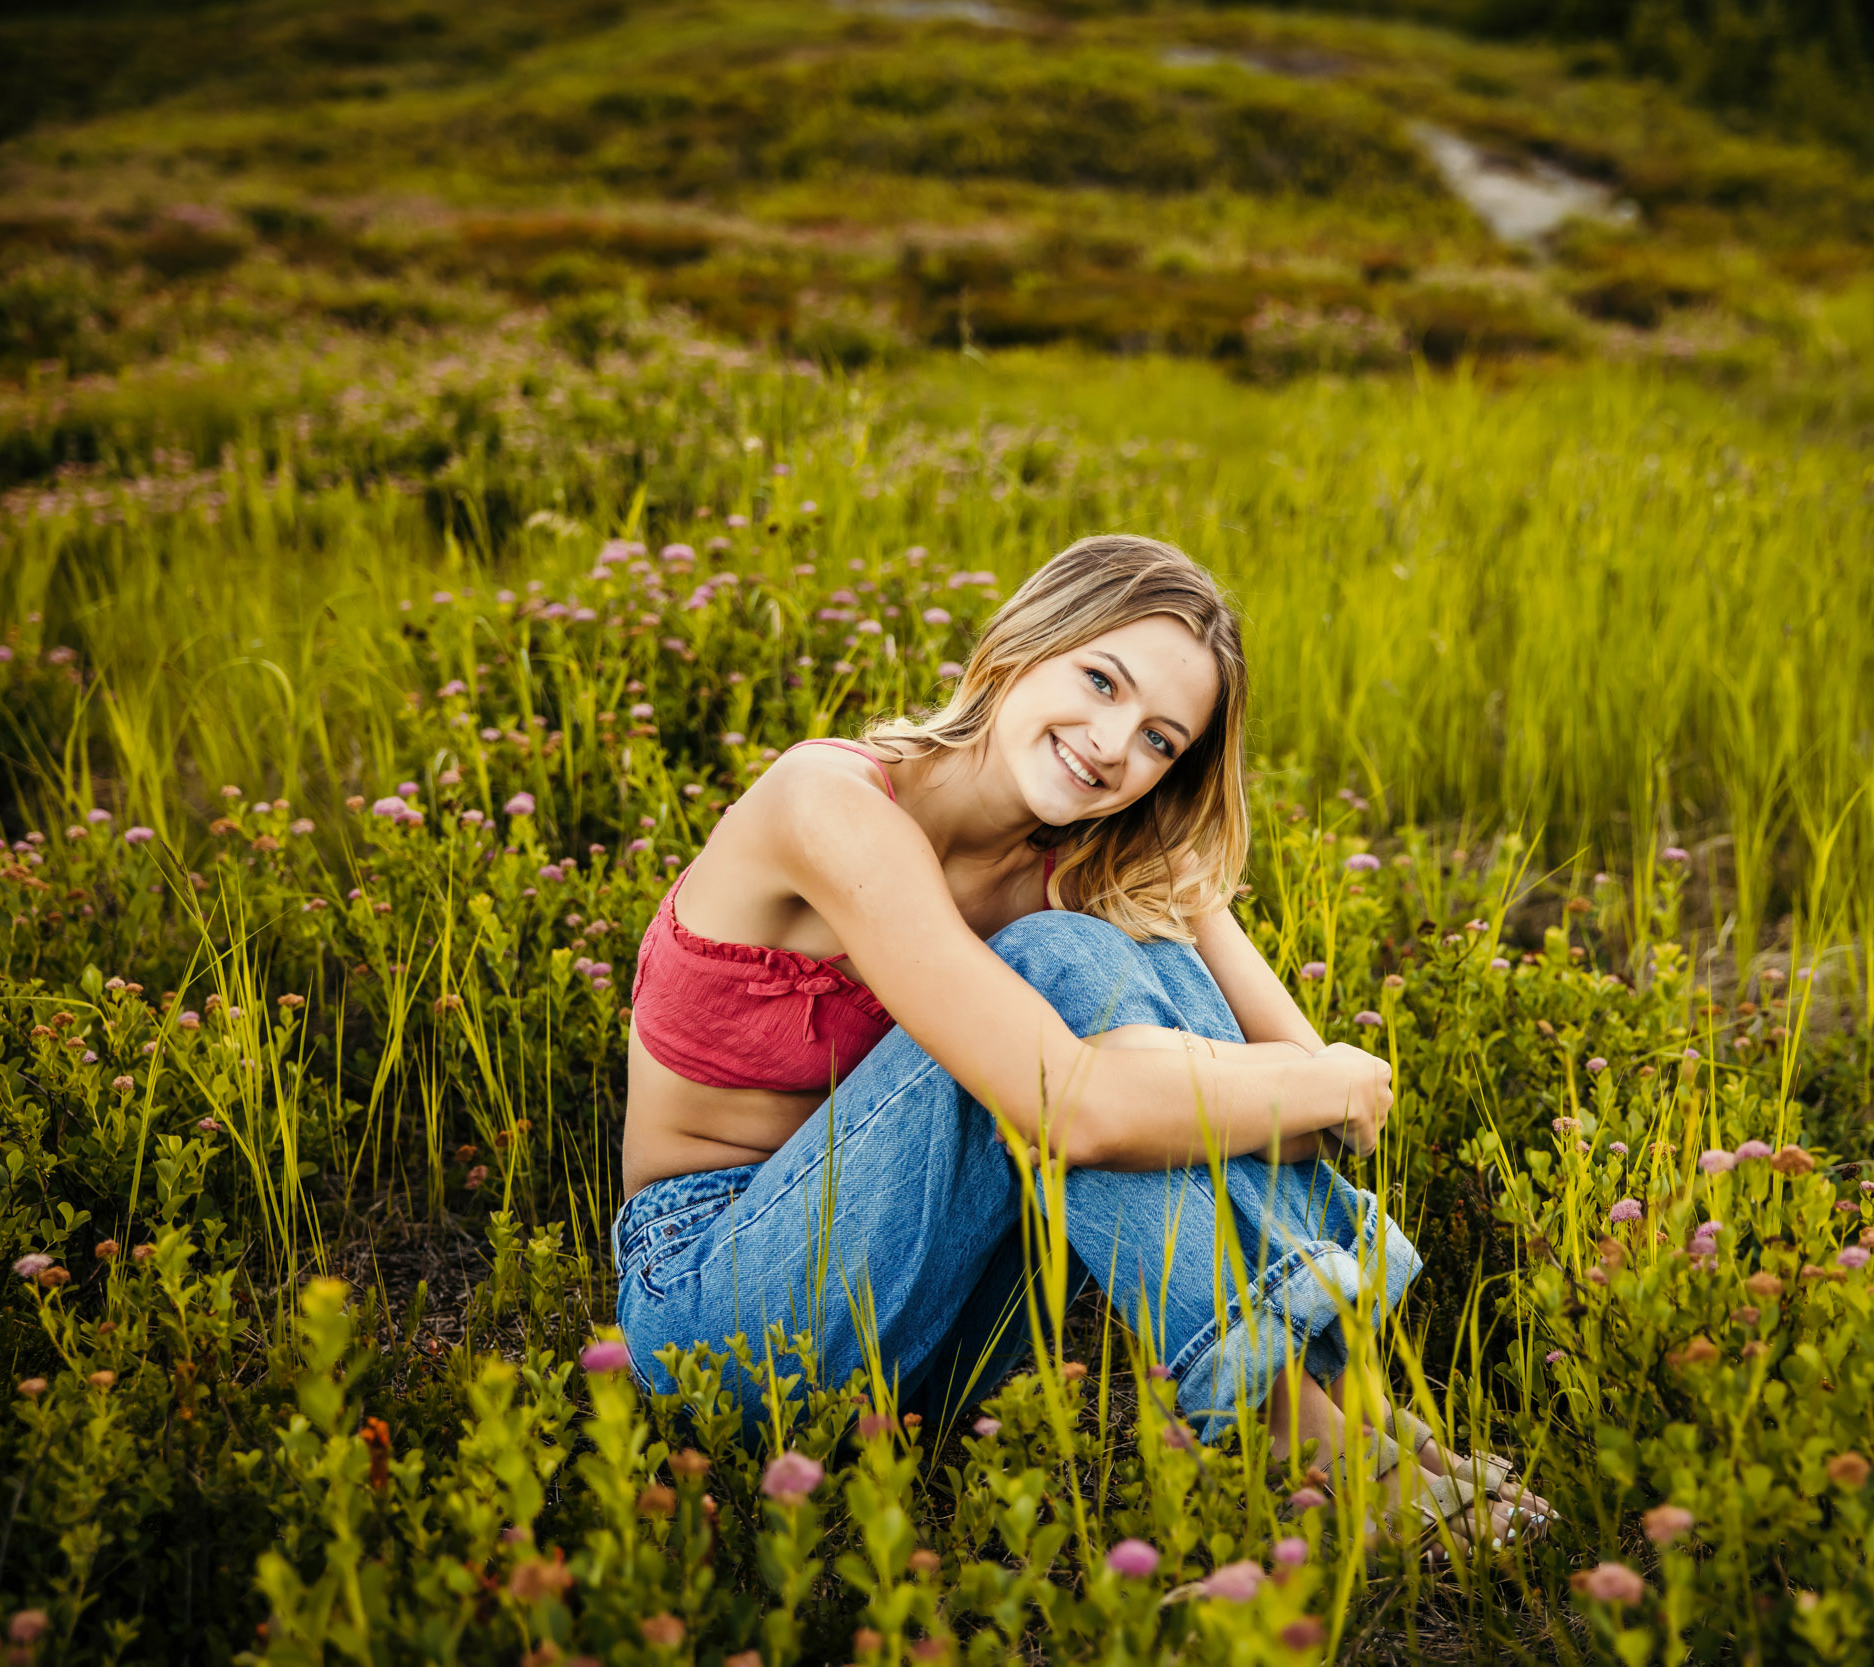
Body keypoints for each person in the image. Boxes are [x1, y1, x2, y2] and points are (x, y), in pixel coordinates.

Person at [615, 533, 1545, 1548]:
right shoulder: (826, 803)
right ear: (1021, 643)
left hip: (933, 1352)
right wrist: (1308, 1080)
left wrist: (1184, 898)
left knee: (1080, 948)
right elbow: (1094, 1108)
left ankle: (1347, 1398)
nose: (1111, 744)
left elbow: (1310, 1116)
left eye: (1159, 740)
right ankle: (1310, 1437)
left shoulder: (1088, 857)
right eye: (1099, 680)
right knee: (1056, 972)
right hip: (719, 1320)